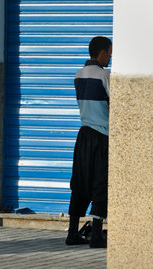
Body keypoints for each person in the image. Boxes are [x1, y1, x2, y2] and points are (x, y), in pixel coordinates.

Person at [65, 36, 112, 248]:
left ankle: (72, 232)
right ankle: (96, 235)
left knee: (80, 182)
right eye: (109, 53)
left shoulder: (78, 75)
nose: (110, 57)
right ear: (101, 53)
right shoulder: (104, 75)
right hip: (101, 135)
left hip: (83, 135)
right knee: (101, 182)